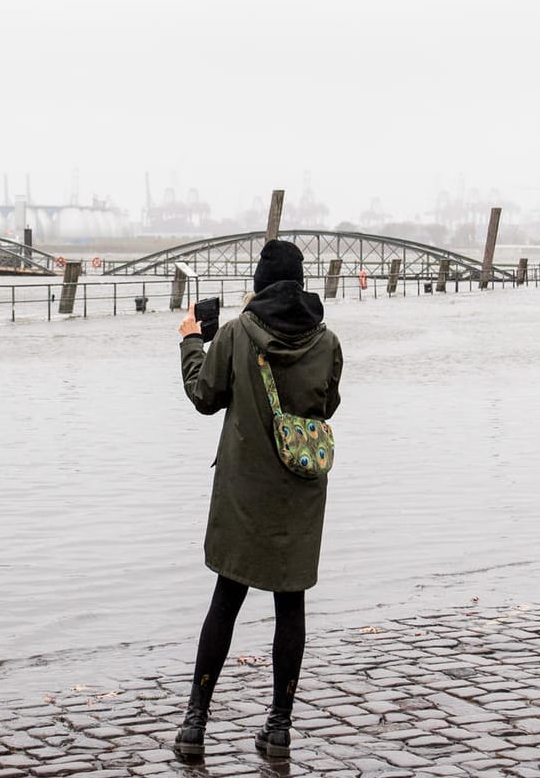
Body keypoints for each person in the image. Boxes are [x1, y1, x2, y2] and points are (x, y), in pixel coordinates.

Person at [173, 239, 343, 760]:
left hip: (245, 491)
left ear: (259, 283)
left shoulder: (237, 333)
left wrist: (189, 341)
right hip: (299, 493)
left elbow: (204, 396)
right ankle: (279, 727)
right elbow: (327, 405)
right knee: (291, 605)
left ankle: (195, 725)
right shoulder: (327, 340)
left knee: (226, 599)